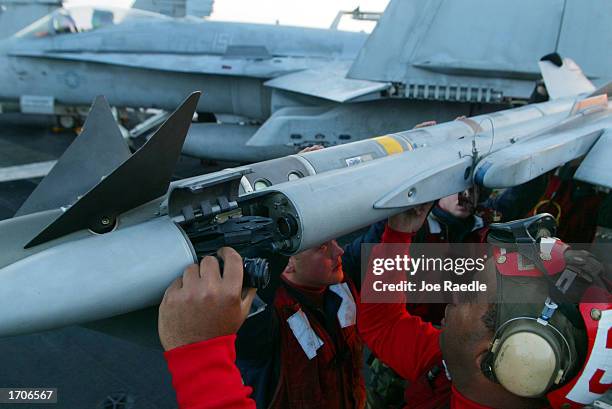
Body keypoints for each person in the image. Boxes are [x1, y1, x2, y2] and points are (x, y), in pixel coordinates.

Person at [358, 210, 611, 409]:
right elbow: (383, 323)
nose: (454, 295)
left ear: (505, 358)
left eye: (469, 296)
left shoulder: (456, 361)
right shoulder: (458, 364)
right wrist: (399, 232)